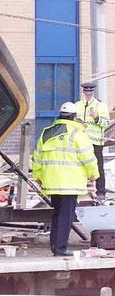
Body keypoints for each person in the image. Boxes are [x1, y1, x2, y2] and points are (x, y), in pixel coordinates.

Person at [32, 102, 99, 257]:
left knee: (57, 214)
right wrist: (94, 174)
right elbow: (88, 157)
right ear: (74, 117)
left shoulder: (47, 132)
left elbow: (37, 157)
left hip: (52, 183)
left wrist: (39, 176)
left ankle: (56, 246)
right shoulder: (77, 133)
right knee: (66, 216)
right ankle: (60, 248)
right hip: (70, 183)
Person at [75, 81, 110, 199]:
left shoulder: (101, 105)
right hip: (80, 142)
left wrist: (96, 118)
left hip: (95, 142)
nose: (88, 93)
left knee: (98, 166)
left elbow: (106, 123)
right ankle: (81, 190)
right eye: (86, 91)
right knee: (80, 166)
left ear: (93, 92)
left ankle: (101, 192)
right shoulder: (77, 105)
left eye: (90, 91)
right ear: (83, 92)